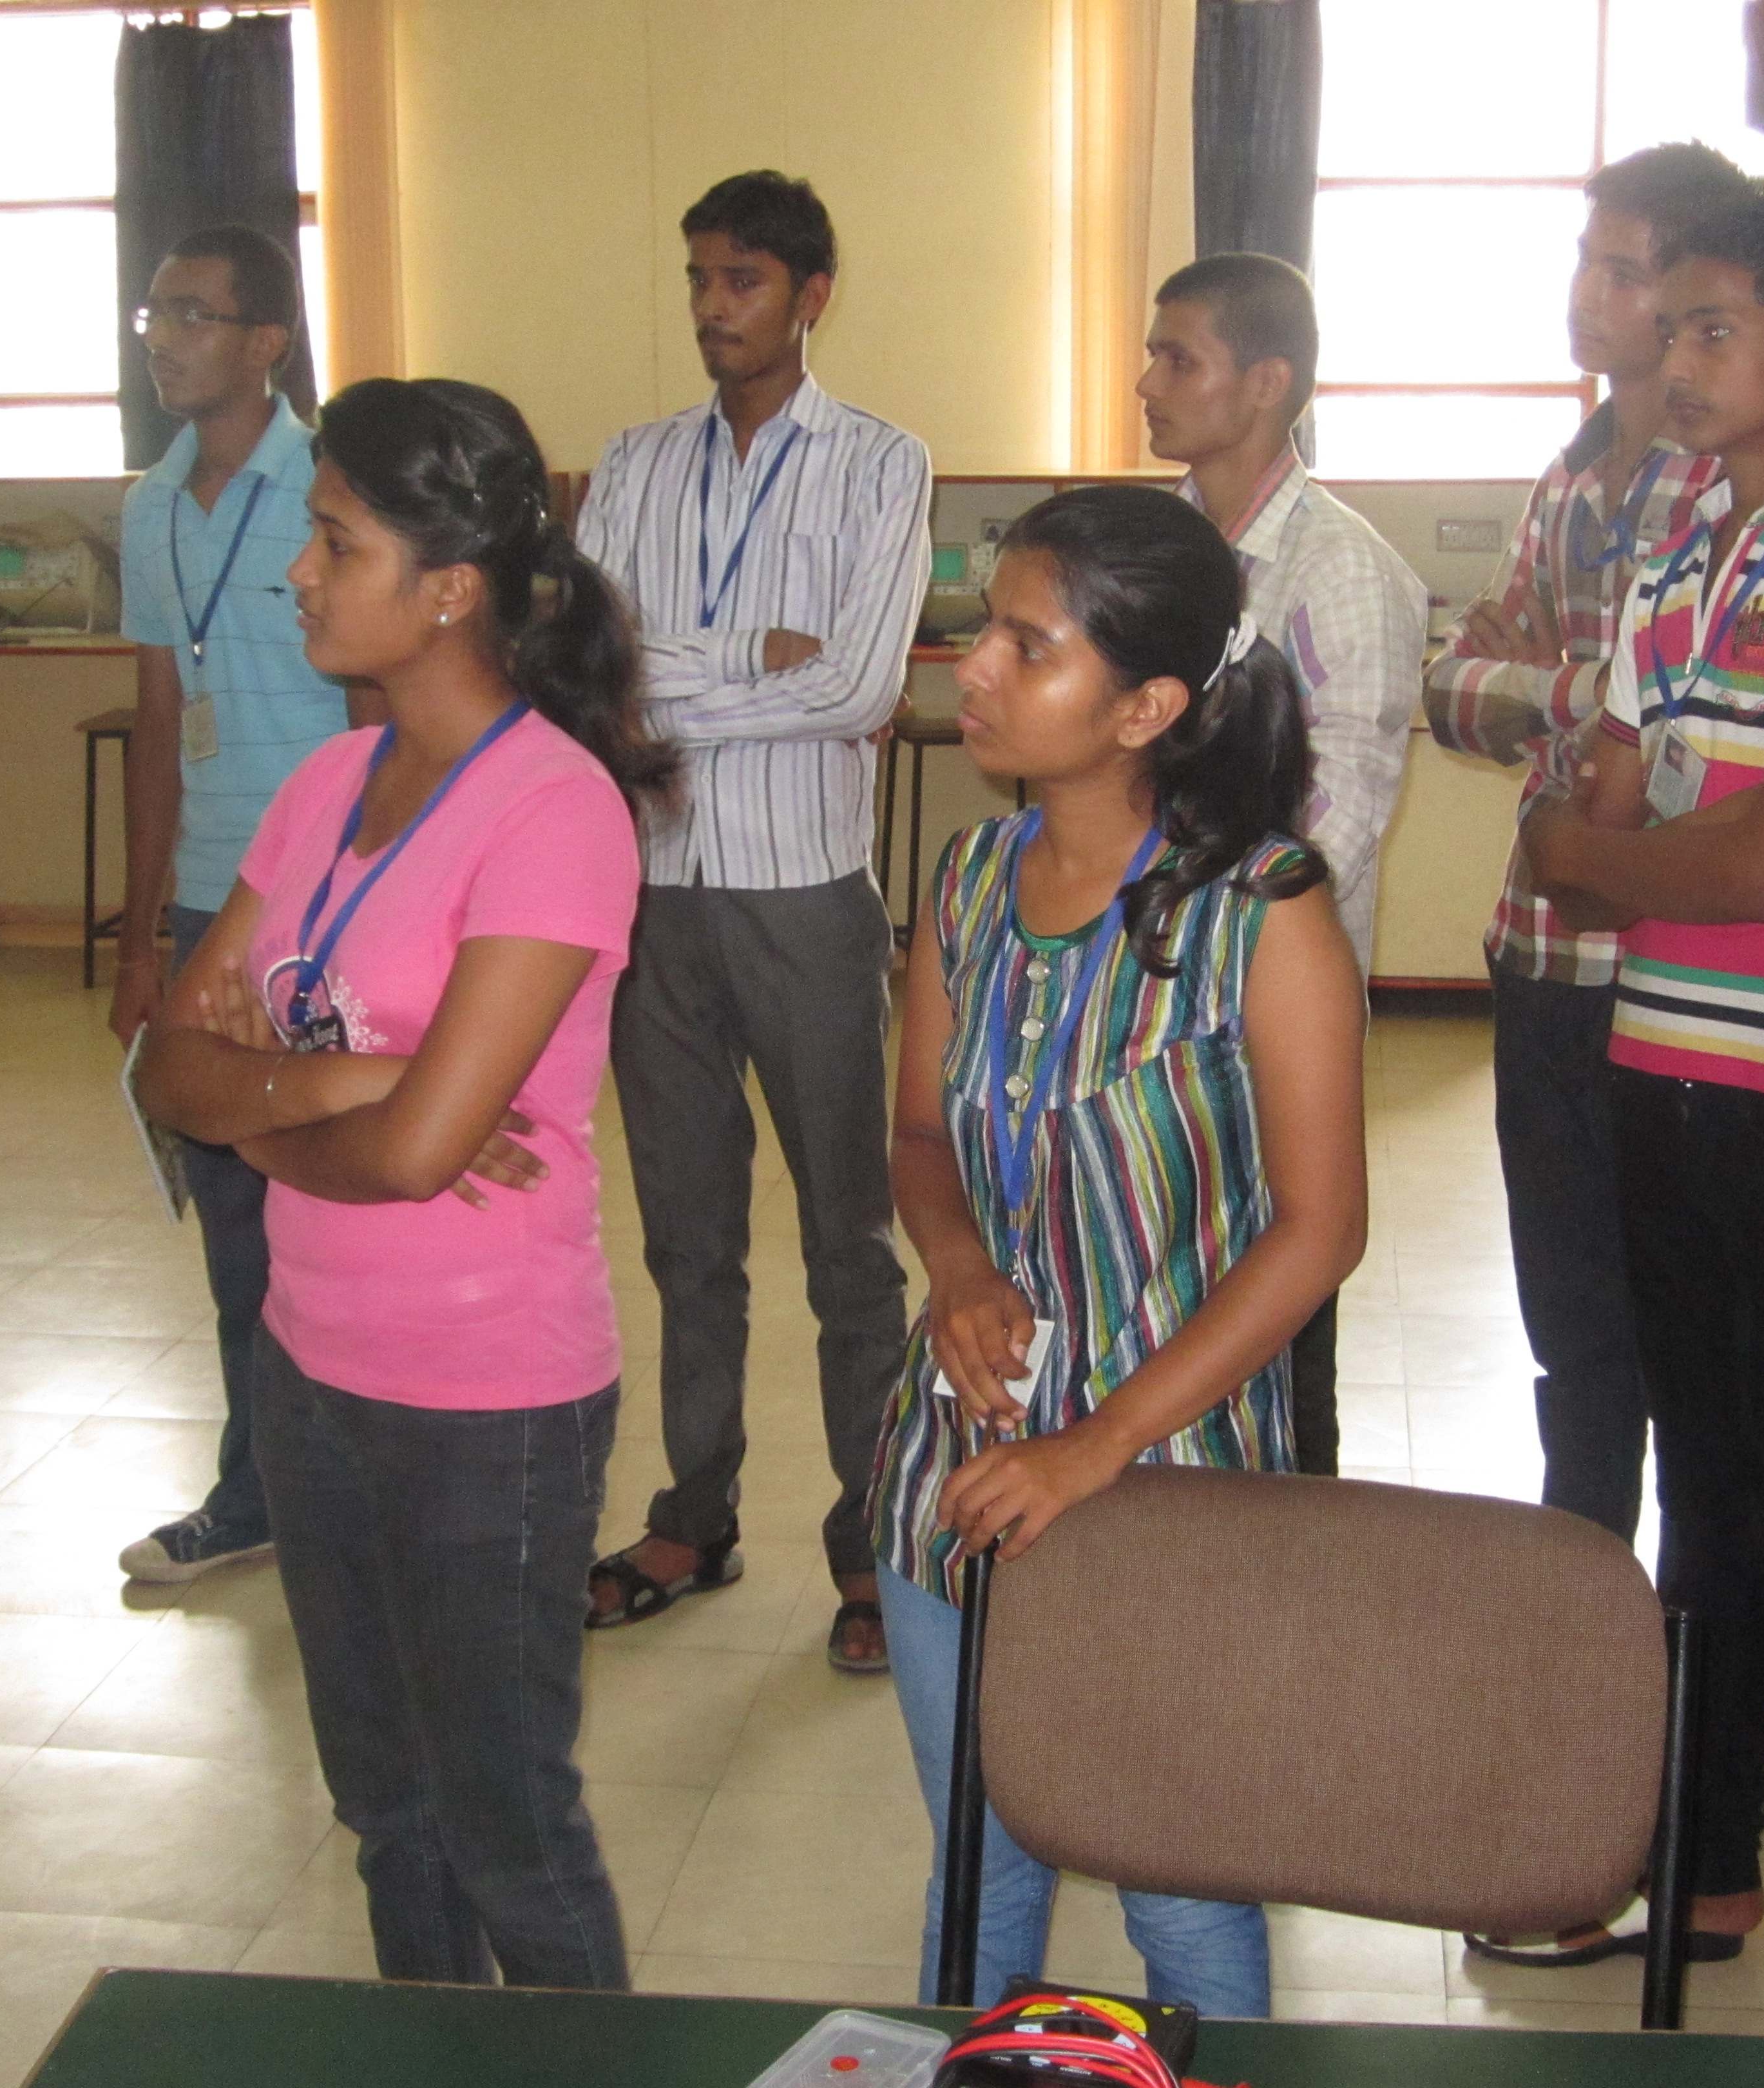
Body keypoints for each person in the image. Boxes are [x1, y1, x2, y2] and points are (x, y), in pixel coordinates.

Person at [133, 378, 673, 1989]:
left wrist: (275, 1105)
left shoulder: (556, 809)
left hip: (489, 1403)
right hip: (309, 1371)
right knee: (386, 1811)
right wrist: (358, 1083)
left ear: (448, 587)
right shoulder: (324, 788)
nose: (299, 573)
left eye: (335, 540)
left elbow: (424, 1156)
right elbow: (166, 1069)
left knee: (508, 1829)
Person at [868, 485, 1369, 2016]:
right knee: (978, 1870)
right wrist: (959, 1270)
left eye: (1029, 645)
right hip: (961, 1458)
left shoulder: (1263, 913)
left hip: (1168, 1474)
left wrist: (1099, 1446)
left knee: (1183, 1893)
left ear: (1147, 706)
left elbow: (1321, 1229)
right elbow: (919, 1138)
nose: (975, 666)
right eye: (987, 629)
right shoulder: (970, 879)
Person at [1503, 191, 1764, 2032]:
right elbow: (1589, 813)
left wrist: (1608, 854)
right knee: (1706, 1488)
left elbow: (1762, 861)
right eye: (1668, 330)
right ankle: (1707, 1862)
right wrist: (1619, 845)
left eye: (1717, 328)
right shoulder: (1672, 555)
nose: (1676, 360)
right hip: (1653, 1062)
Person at [575, 171, 928, 1672]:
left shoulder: (880, 464)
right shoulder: (632, 463)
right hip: (652, 896)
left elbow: (861, 686)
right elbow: (586, 672)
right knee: (686, 1240)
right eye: (701, 280)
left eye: (744, 281)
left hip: (805, 901)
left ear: (810, 296)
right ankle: (693, 1515)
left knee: (850, 1243)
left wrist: (669, 675)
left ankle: (875, 1545)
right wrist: (751, 658)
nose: (715, 308)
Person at [1424, 142, 1750, 1539]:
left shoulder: (1717, 484)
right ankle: (1583, 1585)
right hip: (1541, 949)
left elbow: (1676, 713)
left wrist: (1553, 687)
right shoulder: (1571, 472)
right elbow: (1453, 688)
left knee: (1682, 1317)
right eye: (1585, 260)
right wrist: (1582, 691)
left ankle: (1685, 1623)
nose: (1586, 293)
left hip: (1665, 961)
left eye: (1623, 271)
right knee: (1567, 1318)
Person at [111, 222, 379, 1587]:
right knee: (235, 1233)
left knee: (342, 1212)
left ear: (267, 342)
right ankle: (258, 1489)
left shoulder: (330, 493)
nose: (165, 338)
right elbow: (161, 723)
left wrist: (370, 906)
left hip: (326, 910)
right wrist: (141, 931)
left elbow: (376, 710)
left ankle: (362, 1479)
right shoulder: (151, 505)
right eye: (156, 314)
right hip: (212, 909)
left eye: (195, 315)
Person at [1137, 253, 1423, 1479]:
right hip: (1140, 980)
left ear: (1266, 384)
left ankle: (1293, 1563)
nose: (1147, 382)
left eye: (1178, 358)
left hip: (1260, 998)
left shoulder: (1339, 568)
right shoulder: (1159, 549)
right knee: (1161, 1290)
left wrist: (1195, 930)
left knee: (1277, 1310)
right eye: (1151, 354)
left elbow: (1334, 821)